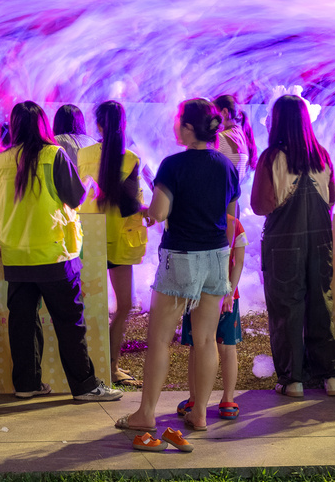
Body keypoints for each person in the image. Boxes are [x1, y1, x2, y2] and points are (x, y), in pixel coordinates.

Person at [0, 101, 121, 402]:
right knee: (70, 324)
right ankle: (84, 386)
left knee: (22, 324)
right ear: (43, 125)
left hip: (16, 258)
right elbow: (75, 198)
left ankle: (26, 384)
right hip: (55, 256)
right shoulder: (54, 155)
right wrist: (88, 182)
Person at [117, 99, 237, 436]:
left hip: (181, 256)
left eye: (177, 120)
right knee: (206, 340)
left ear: (187, 128)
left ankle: (146, 414)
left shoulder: (173, 165)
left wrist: (143, 210)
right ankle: (199, 414)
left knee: (159, 340)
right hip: (216, 255)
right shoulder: (226, 165)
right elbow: (231, 216)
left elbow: (159, 212)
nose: (174, 125)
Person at [251, 94, 335, 399]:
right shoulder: (322, 156)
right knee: (321, 304)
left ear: (277, 122)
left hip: (283, 244)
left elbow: (259, 205)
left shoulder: (271, 157)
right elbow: (331, 199)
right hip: (320, 242)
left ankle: (293, 380)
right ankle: (331, 377)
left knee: (286, 308)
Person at [75, 101, 146, 388]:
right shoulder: (130, 159)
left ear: (98, 125)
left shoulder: (83, 154)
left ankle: (88, 363)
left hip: (88, 238)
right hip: (118, 240)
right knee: (124, 304)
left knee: (88, 305)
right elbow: (131, 206)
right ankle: (112, 366)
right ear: (123, 125)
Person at [177, 212, 246, 421]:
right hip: (227, 297)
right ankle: (228, 400)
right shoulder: (235, 224)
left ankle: (194, 399)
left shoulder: (195, 218)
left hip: (198, 295)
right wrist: (229, 292)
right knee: (228, 348)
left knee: (197, 347)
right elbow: (239, 262)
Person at [213, 93, 257, 215]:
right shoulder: (242, 136)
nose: (211, 119)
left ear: (224, 112)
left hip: (218, 207)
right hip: (233, 205)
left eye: (214, 114)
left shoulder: (220, 139)